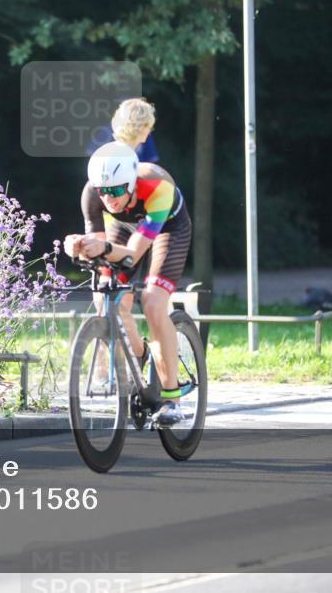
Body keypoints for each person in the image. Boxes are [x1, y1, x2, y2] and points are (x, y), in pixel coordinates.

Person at [64, 141, 192, 425]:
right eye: (103, 191)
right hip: (125, 227)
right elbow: (100, 253)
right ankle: (140, 354)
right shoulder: (92, 194)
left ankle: (172, 399)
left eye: (116, 190)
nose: (109, 198)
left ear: (132, 183)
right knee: (105, 294)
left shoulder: (157, 189)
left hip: (168, 228)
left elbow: (133, 255)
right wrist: (78, 245)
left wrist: (104, 249)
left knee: (153, 302)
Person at [85, 97, 160, 163]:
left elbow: (152, 159)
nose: (150, 130)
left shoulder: (147, 138)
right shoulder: (106, 132)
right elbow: (91, 152)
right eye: (148, 125)